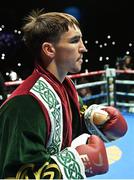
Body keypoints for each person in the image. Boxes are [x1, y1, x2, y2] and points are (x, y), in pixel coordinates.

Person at [0, 9, 127, 179]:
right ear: (49, 49)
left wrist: (94, 118)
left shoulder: (65, 86)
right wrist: (77, 163)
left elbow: (70, 123)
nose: (84, 48)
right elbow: (15, 175)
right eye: (75, 41)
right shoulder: (25, 104)